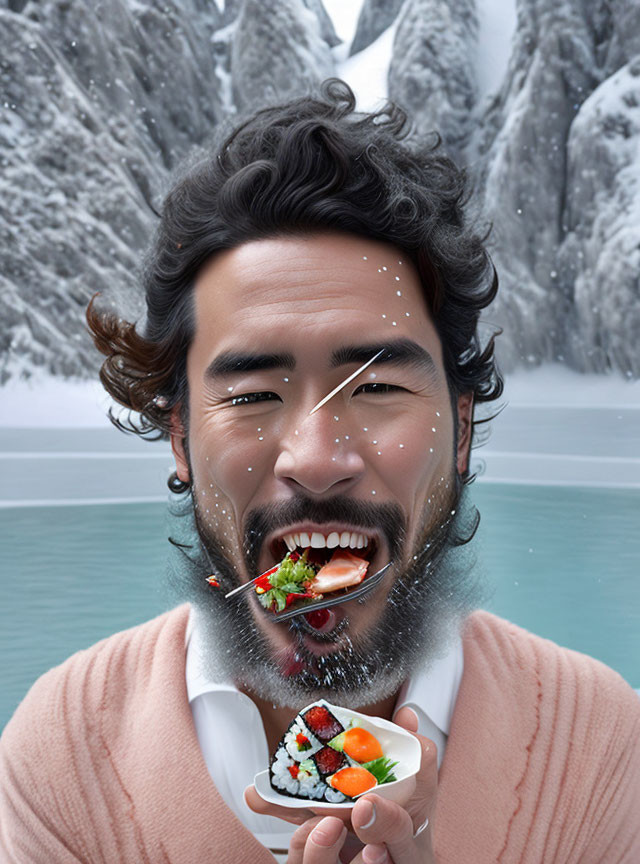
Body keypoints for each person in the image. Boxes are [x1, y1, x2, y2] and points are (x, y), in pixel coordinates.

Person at [1, 79, 638, 864]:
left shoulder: (601, 746)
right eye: (254, 393)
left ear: (462, 430)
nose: (315, 458)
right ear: (179, 440)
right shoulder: (61, 756)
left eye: (374, 388)